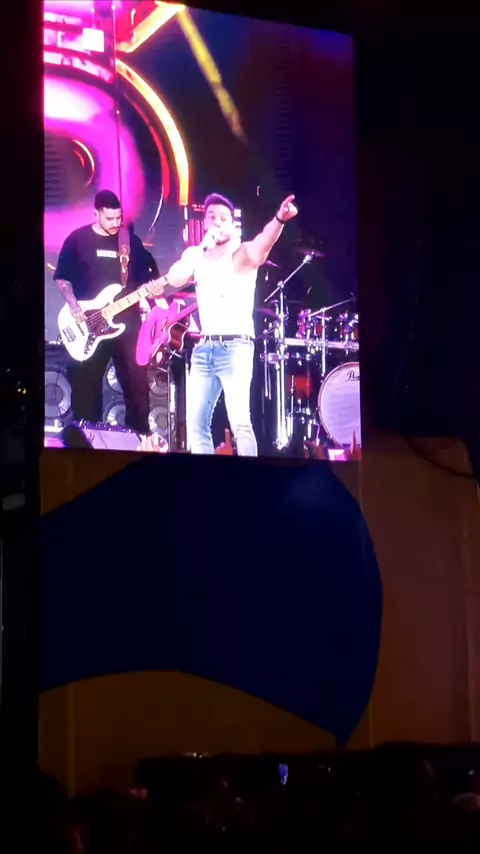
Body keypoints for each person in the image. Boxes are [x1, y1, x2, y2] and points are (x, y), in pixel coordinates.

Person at [150, 192, 298, 455]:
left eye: (223, 218)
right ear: (204, 222)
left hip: (235, 348)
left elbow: (263, 243)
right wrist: (201, 248)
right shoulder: (196, 255)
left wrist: (279, 219)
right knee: (196, 426)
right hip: (204, 348)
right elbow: (175, 278)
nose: (217, 222)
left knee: (240, 424)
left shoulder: (241, 254)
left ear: (232, 224)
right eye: (211, 217)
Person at [54, 190, 157, 434]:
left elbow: (147, 280)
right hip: (88, 323)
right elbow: (63, 278)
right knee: (85, 389)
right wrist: (74, 305)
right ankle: (88, 441)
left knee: (137, 386)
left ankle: (139, 440)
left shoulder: (130, 243)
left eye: (119, 218)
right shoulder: (77, 239)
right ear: (96, 214)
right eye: (109, 218)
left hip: (127, 323)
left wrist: (152, 289)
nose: (115, 223)